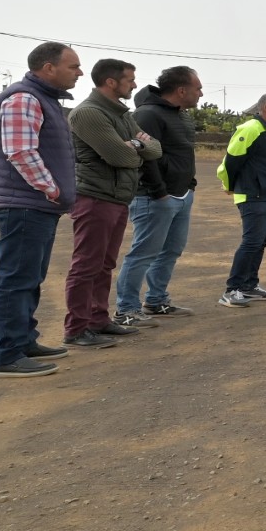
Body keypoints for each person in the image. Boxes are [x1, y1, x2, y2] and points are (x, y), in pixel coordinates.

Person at [0, 42, 84, 377]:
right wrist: (52, 189)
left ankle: (23, 341)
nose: (79, 72)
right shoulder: (24, 98)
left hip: (35, 207)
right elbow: (21, 152)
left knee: (29, 277)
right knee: (16, 279)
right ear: (48, 67)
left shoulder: (44, 100)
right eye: (73, 66)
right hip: (23, 206)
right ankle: (6, 355)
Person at [63, 58, 164, 347]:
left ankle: (97, 319)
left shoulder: (121, 114)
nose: (134, 84)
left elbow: (154, 149)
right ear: (111, 82)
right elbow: (120, 157)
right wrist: (136, 146)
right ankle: (76, 328)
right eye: (130, 79)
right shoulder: (89, 114)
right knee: (86, 265)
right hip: (95, 197)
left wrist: (134, 145)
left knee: (104, 264)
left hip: (117, 197)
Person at [115, 65, 204, 325]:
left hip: (181, 194)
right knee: (143, 253)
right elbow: (142, 156)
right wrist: (159, 192)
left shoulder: (182, 115)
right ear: (181, 90)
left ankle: (156, 301)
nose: (200, 93)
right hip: (154, 197)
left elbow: (182, 153)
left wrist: (190, 184)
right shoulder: (148, 114)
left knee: (171, 250)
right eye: (197, 88)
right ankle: (126, 309)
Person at [217, 94, 266, 308]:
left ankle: (249, 285)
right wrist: (229, 185)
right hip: (252, 194)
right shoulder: (250, 129)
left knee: (261, 241)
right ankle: (232, 290)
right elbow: (231, 161)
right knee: (251, 241)